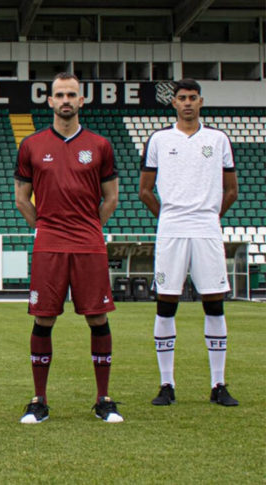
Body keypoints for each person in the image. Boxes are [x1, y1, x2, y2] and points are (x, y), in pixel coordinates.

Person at [14, 72, 122, 424]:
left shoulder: (100, 145)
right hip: (49, 243)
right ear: (50, 101)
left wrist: (89, 227)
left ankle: (103, 398)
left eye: (71, 95)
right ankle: (39, 400)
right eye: (59, 95)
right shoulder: (31, 145)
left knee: (97, 317)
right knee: (43, 317)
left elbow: (111, 197)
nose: (65, 100)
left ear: (81, 100)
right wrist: (45, 227)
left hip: (89, 243)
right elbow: (21, 198)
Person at [139, 78, 239, 407]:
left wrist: (209, 216)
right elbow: (145, 190)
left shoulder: (218, 139)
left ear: (201, 102)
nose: (187, 103)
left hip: (207, 228)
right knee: (166, 303)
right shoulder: (159, 139)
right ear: (174, 103)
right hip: (172, 228)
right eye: (182, 98)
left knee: (214, 302)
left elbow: (231, 189)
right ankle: (166, 384)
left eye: (192, 98)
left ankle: (218, 384)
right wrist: (169, 218)